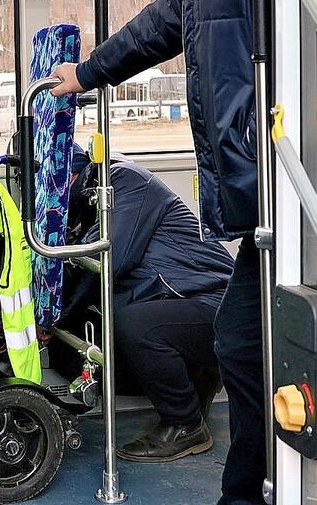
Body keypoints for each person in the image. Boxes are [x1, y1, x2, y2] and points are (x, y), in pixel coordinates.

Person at [50, 0, 267, 504]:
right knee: (246, 348)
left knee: (245, 345)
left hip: (283, 180)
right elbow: (160, 26)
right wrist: (85, 74)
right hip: (254, 200)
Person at [60, 146, 233, 462]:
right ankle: (194, 378)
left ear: (70, 173)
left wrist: (55, 314)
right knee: (72, 347)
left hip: (215, 301)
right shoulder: (85, 202)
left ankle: (186, 424)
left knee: (135, 324)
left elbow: (109, 259)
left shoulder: (123, 181)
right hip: (175, 301)